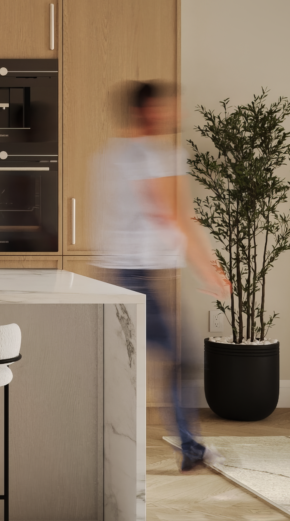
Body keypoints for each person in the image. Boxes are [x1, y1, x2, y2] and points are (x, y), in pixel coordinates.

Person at [94, 81, 231, 472]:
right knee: (178, 358)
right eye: (169, 107)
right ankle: (188, 448)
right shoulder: (152, 157)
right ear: (149, 111)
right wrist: (210, 270)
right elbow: (176, 216)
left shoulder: (112, 155)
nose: (176, 114)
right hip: (136, 275)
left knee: (140, 363)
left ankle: (178, 447)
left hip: (121, 272)